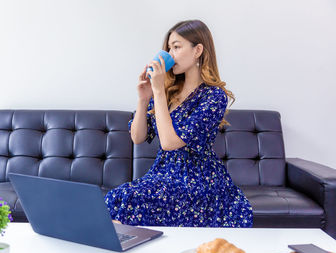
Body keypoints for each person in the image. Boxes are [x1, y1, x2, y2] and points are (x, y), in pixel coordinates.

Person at [104, 19, 253, 227]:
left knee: (131, 199)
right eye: (168, 48)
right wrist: (143, 98)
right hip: (163, 174)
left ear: (197, 50)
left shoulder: (213, 96)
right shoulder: (167, 92)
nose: (170, 55)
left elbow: (169, 143)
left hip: (197, 179)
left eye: (176, 47)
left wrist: (158, 91)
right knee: (115, 198)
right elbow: (137, 137)